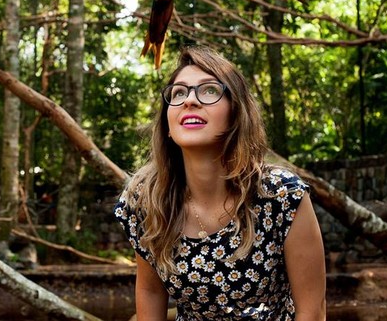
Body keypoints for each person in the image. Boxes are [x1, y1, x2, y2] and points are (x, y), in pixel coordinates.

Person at [114, 46, 326, 321]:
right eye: (179, 93)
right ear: (168, 124)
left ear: (236, 112)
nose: (189, 101)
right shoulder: (145, 199)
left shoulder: (281, 195)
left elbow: (312, 311)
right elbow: (151, 294)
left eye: (209, 90)